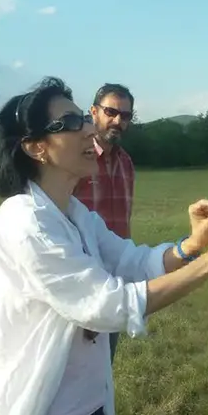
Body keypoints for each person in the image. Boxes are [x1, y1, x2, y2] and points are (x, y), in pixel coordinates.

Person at [0, 76, 208, 415]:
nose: (87, 131)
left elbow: (133, 261)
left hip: (90, 405)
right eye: (68, 124)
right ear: (35, 147)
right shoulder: (26, 223)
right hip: (46, 410)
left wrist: (193, 245)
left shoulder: (77, 215)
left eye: (82, 119)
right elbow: (109, 305)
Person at [73, 82, 136, 363]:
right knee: (74, 370)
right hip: (79, 280)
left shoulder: (126, 164)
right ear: (94, 112)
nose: (118, 120)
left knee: (103, 367)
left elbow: (124, 224)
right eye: (111, 112)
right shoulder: (76, 158)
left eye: (125, 115)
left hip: (115, 279)